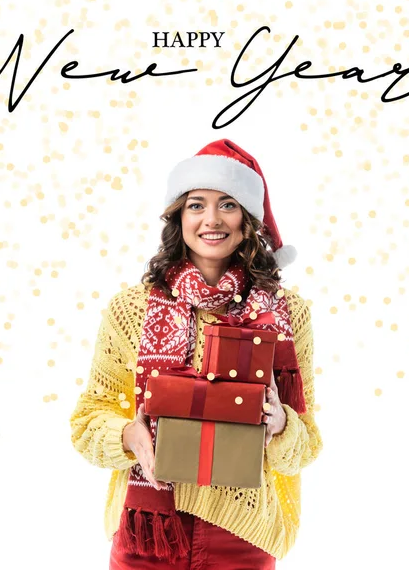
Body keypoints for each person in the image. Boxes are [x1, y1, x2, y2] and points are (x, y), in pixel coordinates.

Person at [69, 139, 323, 569]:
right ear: (178, 217)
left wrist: (281, 424)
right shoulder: (132, 309)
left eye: (227, 204)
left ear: (247, 219)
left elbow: (307, 444)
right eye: (196, 205)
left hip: (243, 532)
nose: (211, 219)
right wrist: (131, 436)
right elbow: (87, 422)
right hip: (145, 529)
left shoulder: (286, 314)